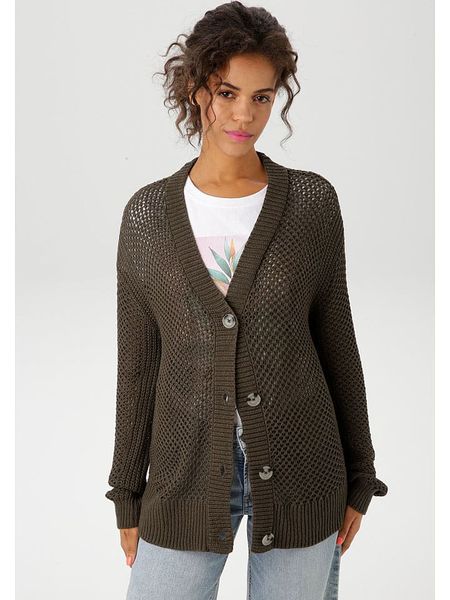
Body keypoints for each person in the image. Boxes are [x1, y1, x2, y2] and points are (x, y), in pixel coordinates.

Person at [105, 2, 388, 599]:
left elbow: (337, 342)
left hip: (305, 472)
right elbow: (139, 367)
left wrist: (361, 474)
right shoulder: (148, 216)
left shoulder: (310, 204)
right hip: (183, 475)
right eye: (227, 93)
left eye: (262, 97)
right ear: (195, 89)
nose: (244, 115)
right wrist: (126, 492)